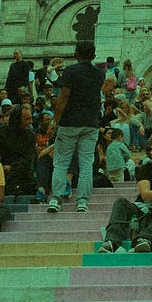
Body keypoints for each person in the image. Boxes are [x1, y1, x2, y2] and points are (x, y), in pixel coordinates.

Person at [46, 39, 108, 214]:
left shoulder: (70, 71)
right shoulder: (100, 73)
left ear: (76, 53)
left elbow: (63, 98)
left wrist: (54, 122)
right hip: (90, 123)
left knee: (61, 163)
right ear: (94, 55)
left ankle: (56, 199)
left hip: (69, 123)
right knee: (86, 164)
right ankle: (82, 201)